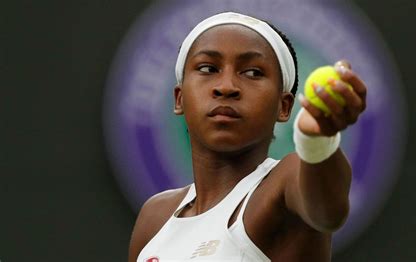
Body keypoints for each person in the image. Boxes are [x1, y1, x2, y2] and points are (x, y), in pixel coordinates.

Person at [129, 11, 366, 262]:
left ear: (283, 106)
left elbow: (328, 213)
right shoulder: (155, 215)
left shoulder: (282, 185)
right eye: (208, 68)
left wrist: (317, 142)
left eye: (253, 73)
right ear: (179, 99)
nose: (227, 86)